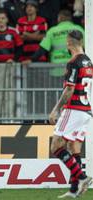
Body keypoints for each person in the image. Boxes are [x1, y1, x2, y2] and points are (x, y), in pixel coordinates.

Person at [49, 30, 93, 198]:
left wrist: (56, 109)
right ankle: (74, 190)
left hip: (74, 109)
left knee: (56, 146)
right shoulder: (88, 62)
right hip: (86, 110)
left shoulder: (73, 62)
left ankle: (82, 178)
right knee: (72, 147)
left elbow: (69, 88)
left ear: (68, 43)